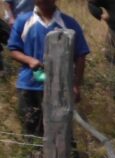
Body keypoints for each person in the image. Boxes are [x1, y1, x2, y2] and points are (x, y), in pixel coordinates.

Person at [7, 0, 89, 136]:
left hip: (60, 88)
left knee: (61, 134)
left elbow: (80, 55)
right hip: (29, 86)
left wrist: (76, 84)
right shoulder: (23, 21)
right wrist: (30, 61)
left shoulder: (68, 23)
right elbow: (14, 50)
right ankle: (35, 157)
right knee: (31, 133)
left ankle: (66, 157)